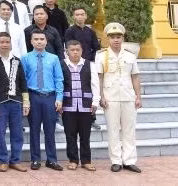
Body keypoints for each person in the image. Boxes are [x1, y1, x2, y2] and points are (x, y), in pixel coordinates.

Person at [98, 22, 142, 173]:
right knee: (113, 130)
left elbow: (135, 77)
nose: (116, 40)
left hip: (128, 96)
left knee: (129, 130)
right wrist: (101, 96)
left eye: (118, 37)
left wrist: (138, 96)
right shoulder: (101, 55)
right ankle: (116, 160)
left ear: (123, 38)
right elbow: (99, 77)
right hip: (110, 97)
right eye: (112, 37)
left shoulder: (130, 55)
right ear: (108, 39)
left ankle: (129, 160)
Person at [21, 28, 64, 171]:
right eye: (36, 39)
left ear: (46, 41)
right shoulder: (25, 58)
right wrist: (25, 100)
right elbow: (23, 81)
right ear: (31, 41)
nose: (39, 42)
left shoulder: (54, 58)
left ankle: (51, 159)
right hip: (33, 96)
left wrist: (59, 98)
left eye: (42, 39)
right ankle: (35, 159)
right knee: (34, 129)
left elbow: (59, 79)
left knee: (50, 129)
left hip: (50, 97)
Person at [0, 31, 29, 173]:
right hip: (0, 103)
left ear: (11, 43)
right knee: (0, 133)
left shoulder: (17, 61)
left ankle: (15, 160)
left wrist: (26, 102)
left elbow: (23, 83)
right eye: (1, 42)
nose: (4, 44)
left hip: (16, 102)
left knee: (17, 133)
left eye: (7, 42)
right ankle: (3, 160)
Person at [61, 40, 100, 171]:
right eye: (72, 50)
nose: (75, 52)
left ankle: (86, 160)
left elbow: (95, 84)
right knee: (70, 134)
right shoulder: (61, 65)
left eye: (78, 49)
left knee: (85, 135)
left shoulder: (90, 65)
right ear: (67, 51)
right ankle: (73, 160)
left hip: (86, 105)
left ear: (82, 50)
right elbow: (59, 85)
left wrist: (95, 102)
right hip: (68, 106)